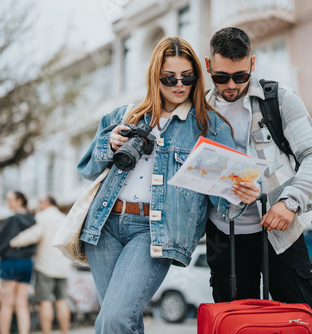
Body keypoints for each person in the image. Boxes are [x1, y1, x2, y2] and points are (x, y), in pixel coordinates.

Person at [77, 36, 260, 334]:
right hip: (105, 225)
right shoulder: (124, 116)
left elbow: (224, 205)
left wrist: (242, 194)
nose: (179, 84)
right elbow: (86, 168)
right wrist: (110, 144)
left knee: (114, 320)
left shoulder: (210, 127)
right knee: (122, 320)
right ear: (154, 77)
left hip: (154, 233)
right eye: (169, 78)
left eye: (187, 77)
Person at [204, 27, 312, 332]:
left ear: (253, 65)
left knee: (307, 321)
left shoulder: (280, 99)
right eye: (221, 77)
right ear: (208, 66)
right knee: (236, 326)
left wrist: (291, 202)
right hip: (225, 238)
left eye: (240, 76)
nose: (231, 85)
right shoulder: (198, 111)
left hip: (281, 232)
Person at [10, 195, 72, 334]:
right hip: (63, 267)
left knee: (45, 301)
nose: (38, 205)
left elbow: (33, 234)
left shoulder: (42, 216)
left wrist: (13, 242)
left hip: (45, 266)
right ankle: (65, 332)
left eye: (40, 202)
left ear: (47, 203)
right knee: (61, 300)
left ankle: (47, 332)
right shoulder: (65, 218)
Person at [0, 191, 36, 334]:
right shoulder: (33, 220)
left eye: (9, 200)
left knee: (6, 304)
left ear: (19, 201)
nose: (7, 203)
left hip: (10, 263)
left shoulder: (11, 220)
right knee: (22, 305)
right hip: (26, 263)